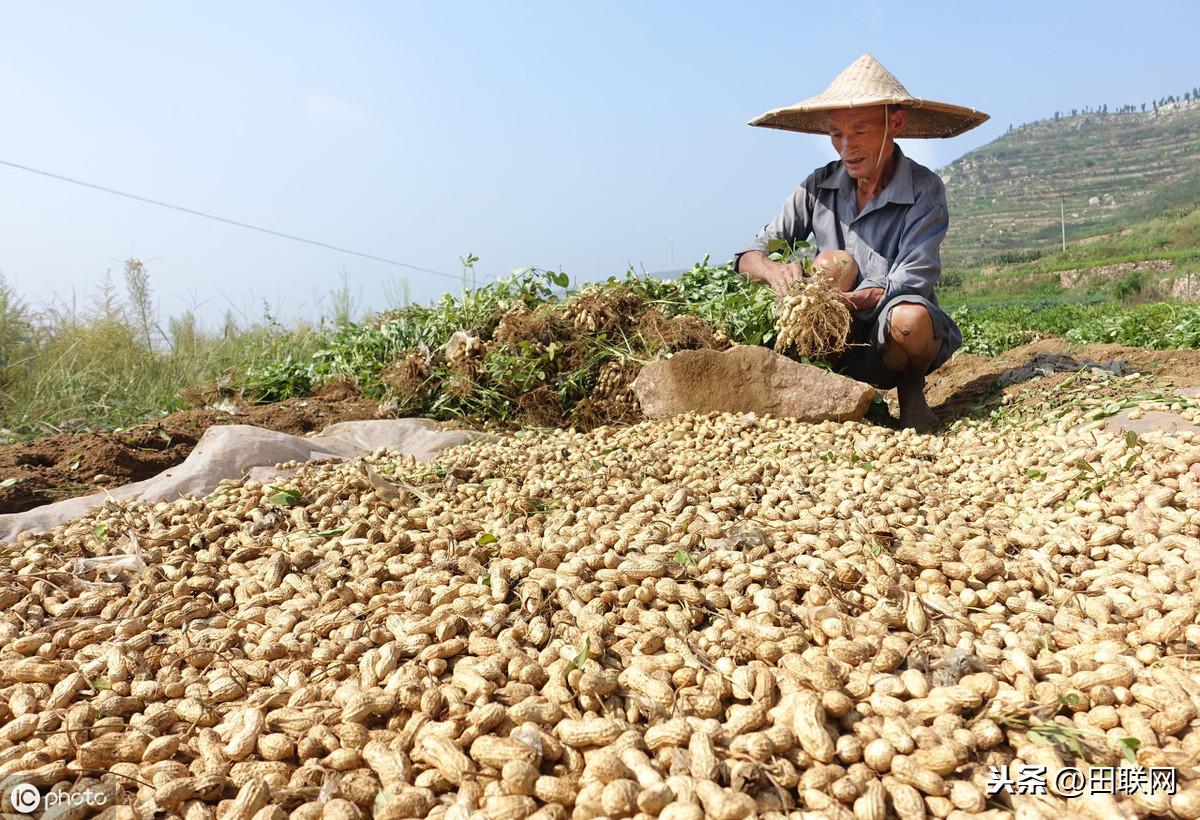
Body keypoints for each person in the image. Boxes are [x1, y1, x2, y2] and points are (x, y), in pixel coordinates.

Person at [733, 54, 988, 431]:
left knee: (911, 317)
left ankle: (911, 394)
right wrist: (774, 272)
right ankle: (831, 393)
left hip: (890, 337)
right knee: (833, 262)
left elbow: (912, 279)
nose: (846, 146)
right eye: (836, 133)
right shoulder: (818, 186)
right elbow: (749, 255)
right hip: (832, 338)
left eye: (861, 131)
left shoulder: (924, 190)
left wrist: (849, 301)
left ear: (895, 124)